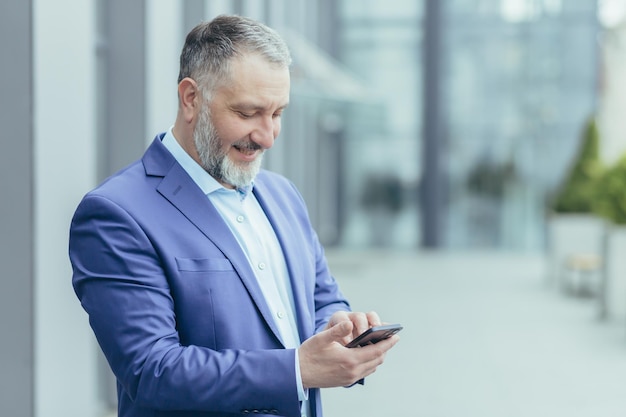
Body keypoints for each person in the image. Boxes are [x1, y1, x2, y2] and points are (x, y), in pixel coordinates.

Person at [69, 15, 399, 417]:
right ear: (191, 99)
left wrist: (338, 329)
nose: (267, 135)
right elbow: (152, 372)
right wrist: (298, 368)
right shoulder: (115, 214)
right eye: (248, 113)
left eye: (277, 113)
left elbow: (320, 296)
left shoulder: (282, 195)